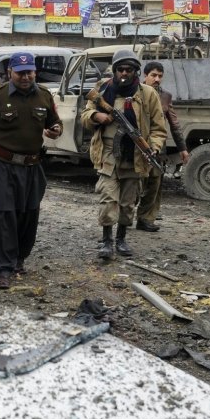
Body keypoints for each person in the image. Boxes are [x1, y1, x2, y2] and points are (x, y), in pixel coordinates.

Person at [0, 52, 63, 288]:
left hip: (32, 167)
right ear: (10, 72)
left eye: (30, 72)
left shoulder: (43, 95)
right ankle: (1, 269)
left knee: (27, 215)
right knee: (1, 215)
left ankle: (18, 259)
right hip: (2, 166)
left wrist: (55, 129)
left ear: (35, 72)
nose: (26, 76)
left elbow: (55, 121)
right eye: (21, 72)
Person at [81, 49, 166, 261]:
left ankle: (121, 238)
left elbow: (158, 128)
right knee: (108, 198)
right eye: (120, 69)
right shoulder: (103, 89)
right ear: (115, 70)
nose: (124, 74)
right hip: (108, 153)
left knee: (128, 203)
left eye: (129, 70)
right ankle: (107, 241)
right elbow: (85, 116)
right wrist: (97, 116)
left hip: (135, 155)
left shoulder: (147, 93)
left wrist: (153, 147)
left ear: (136, 71)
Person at [136, 62, 189, 233]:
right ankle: (125, 216)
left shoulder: (165, 96)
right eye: (153, 75)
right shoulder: (135, 92)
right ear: (145, 75)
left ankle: (145, 219)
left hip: (158, 148)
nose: (157, 79)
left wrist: (182, 148)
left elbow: (174, 123)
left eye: (160, 76)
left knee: (154, 184)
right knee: (134, 184)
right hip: (137, 146)